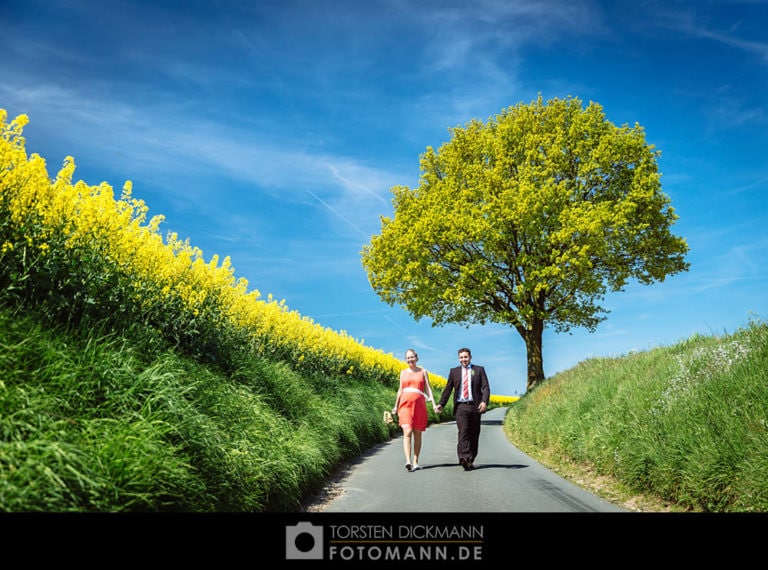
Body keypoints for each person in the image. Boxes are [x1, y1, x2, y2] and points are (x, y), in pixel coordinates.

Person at [435, 347, 491, 471]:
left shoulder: (479, 370)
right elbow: (448, 389)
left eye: (466, 357)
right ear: (458, 358)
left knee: (474, 434)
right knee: (464, 431)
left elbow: (486, 388)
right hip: (461, 406)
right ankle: (464, 457)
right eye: (461, 357)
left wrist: (484, 401)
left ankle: (471, 459)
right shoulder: (454, 371)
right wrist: (441, 404)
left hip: (476, 406)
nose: (464, 359)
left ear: (470, 357)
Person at [392, 348, 437, 472]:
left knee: (417, 433)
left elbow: (428, 388)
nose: (410, 360)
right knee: (407, 431)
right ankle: (407, 461)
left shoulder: (423, 371)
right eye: (408, 358)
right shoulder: (403, 372)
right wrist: (395, 406)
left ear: (416, 358)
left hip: (419, 406)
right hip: (405, 404)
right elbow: (400, 389)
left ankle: (415, 461)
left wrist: (433, 403)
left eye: (412, 357)